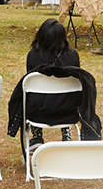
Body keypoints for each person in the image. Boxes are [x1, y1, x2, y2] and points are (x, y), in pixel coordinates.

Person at [22, 18, 82, 150]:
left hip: (38, 113)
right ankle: (66, 134)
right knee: (67, 95)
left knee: (33, 95)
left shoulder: (33, 55)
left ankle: (36, 136)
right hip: (67, 112)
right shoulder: (73, 56)